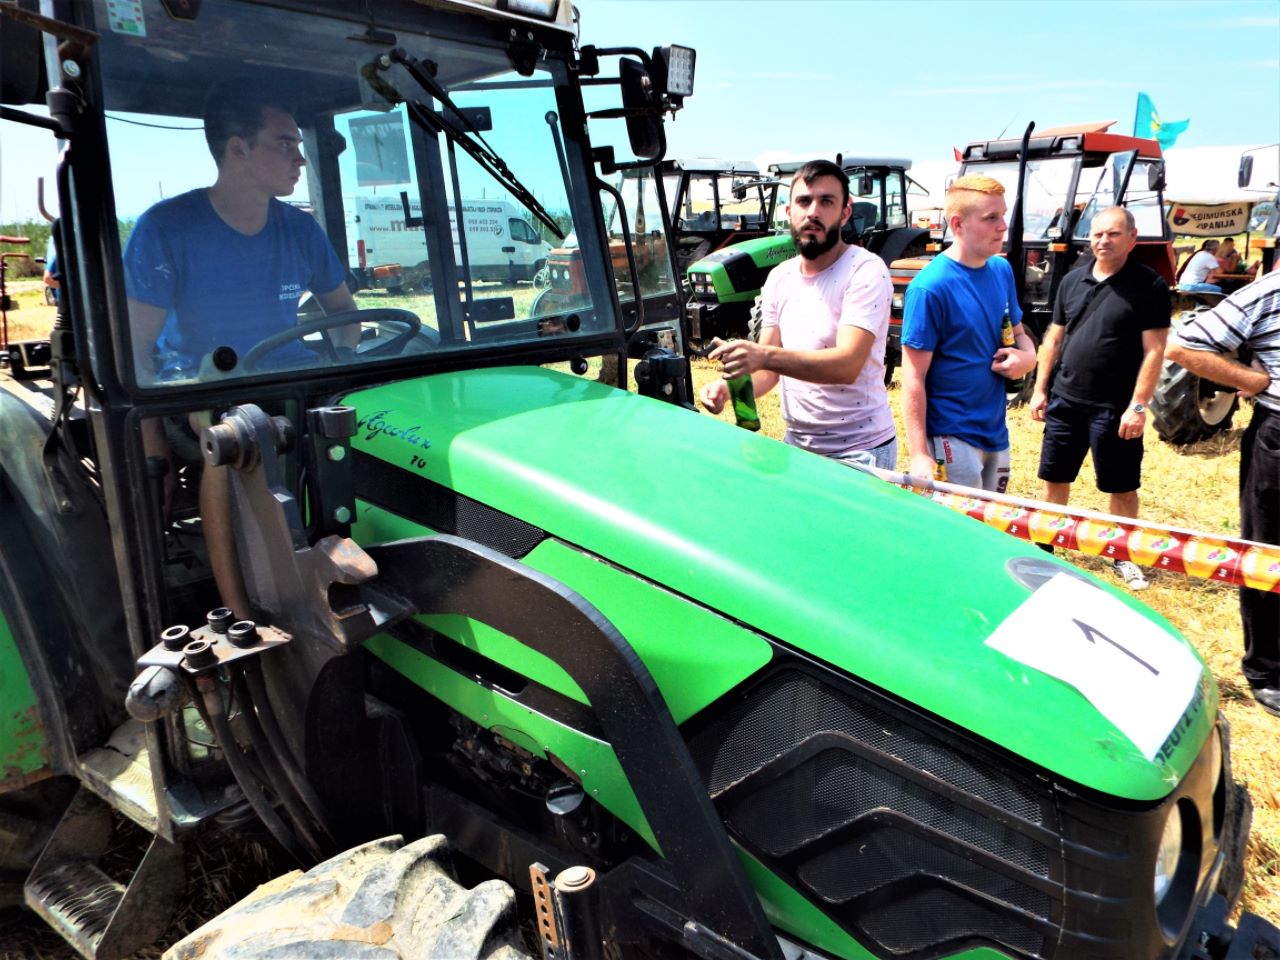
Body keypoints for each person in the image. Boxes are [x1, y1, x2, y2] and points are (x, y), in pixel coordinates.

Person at [124, 83, 358, 618]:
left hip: (291, 384)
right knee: (239, 438)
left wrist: (342, 366)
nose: (300, 158)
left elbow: (345, 317)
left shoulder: (299, 230)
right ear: (238, 148)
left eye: (299, 145)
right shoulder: (167, 228)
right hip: (200, 393)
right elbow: (135, 349)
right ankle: (245, 613)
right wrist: (153, 447)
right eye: (285, 143)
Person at [698, 160, 897, 469]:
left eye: (826, 202)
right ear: (789, 212)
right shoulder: (780, 277)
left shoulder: (865, 270)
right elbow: (768, 372)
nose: (813, 212)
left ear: (845, 213)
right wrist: (727, 388)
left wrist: (763, 356)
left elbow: (847, 365)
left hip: (860, 452)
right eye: (804, 201)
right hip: (798, 448)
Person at [1029, 207, 1170, 591]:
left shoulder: (1149, 285)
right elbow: (1054, 339)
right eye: (1097, 234)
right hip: (1065, 402)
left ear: (1132, 239)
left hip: (1116, 408)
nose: (1103, 241)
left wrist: (1138, 406)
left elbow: (1155, 350)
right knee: (1054, 478)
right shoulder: (1071, 281)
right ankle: (1046, 547)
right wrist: (1040, 389)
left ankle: (1122, 554)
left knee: (1120, 487)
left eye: (1113, 234)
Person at [1166, 270, 1280, 717]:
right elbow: (1182, 345)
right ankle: (1267, 670)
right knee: (1267, 551)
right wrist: (1250, 380)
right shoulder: (1271, 291)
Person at [900, 175, 1037, 491]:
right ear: (958, 224)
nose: (1003, 227)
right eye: (991, 218)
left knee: (991, 518)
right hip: (951, 435)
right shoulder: (929, 287)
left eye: (1003, 215)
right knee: (955, 521)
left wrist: (1028, 358)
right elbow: (912, 377)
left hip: (995, 432)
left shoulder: (1001, 270)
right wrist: (919, 454)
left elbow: (1019, 333)